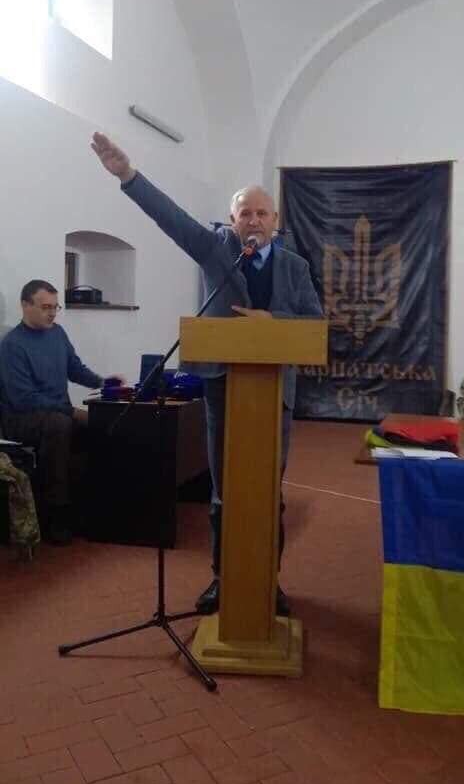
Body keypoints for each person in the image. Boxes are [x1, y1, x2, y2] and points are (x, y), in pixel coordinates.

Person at [91, 131, 323, 615]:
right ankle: (223, 578)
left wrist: (272, 322)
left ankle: (267, 581)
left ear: (275, 221)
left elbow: (314, 324)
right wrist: (128, 176)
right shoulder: (215, 249)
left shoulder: (296, 268)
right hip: (222, 388)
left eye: (262, 213)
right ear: (233, 221)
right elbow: (171, 218)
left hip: (275, 393)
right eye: (245, 213)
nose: (253, 220)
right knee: (224, 490)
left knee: (266, 491)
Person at [0, 280, 119, 544]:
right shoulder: (12, 346)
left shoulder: (57, 333)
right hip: (20, 419)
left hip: (57, 413)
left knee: (105, 424)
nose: (52, 313)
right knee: (60, 425)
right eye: (46, 307)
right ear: (25, 305)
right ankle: (57, 515)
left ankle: (97, 508)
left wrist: (104, 383)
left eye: (56, 307)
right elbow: (24, 399)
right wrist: (72, 412)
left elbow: (75, 368)